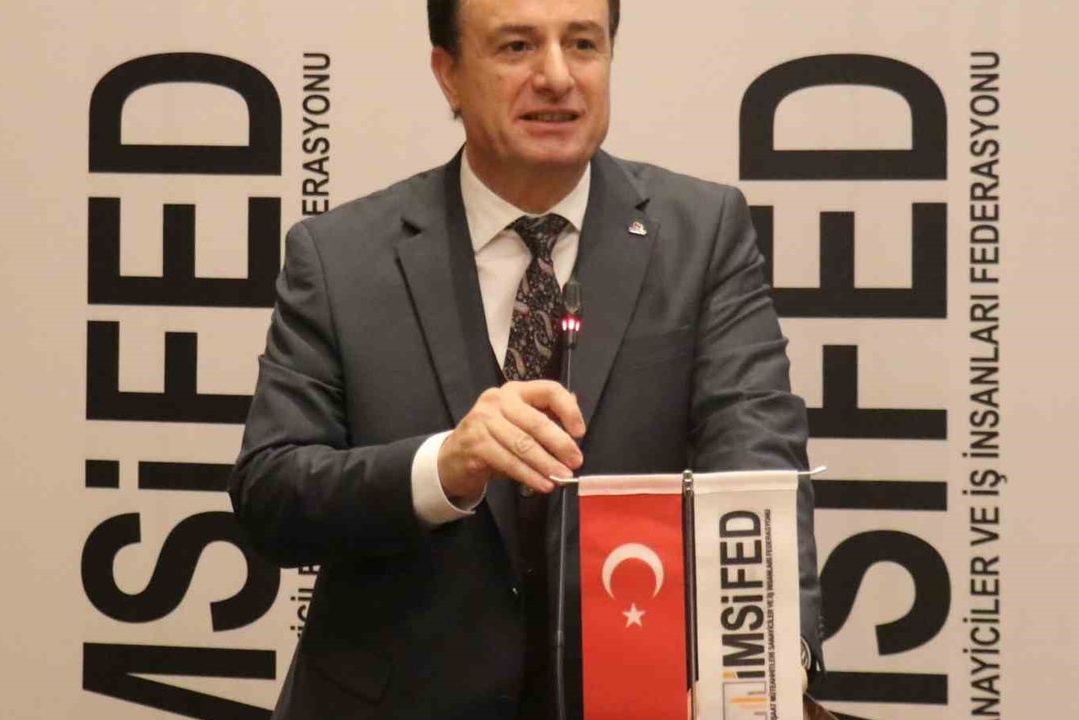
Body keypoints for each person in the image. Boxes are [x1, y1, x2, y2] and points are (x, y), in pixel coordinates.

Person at [230, 0, 823, 717]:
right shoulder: (339, 257)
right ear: (448, 74)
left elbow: (756, 462)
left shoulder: (702, 236)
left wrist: (766, 664)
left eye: (583, 44)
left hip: (638, 697)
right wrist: (440, 467)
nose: (557, 77)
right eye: (516, 47)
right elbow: (272, 495)